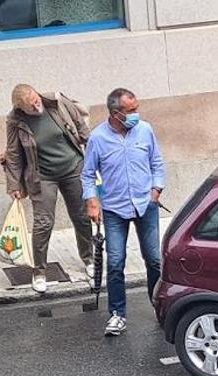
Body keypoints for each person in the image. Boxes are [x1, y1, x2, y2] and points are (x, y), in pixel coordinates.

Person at [82, 88, 165, 336]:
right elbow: (88, 174)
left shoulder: (145, 130)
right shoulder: (98, 138)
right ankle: (117, 314)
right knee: (116, 262)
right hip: (114, 209)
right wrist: (92, 201)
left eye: (136, 109)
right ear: (116, 113)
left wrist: (156, 189)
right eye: (131, 111)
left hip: (145, 204)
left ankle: (160, 307)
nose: (136, 114)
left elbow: (157, 162)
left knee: (154, 260)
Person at [0, 84, 92, 293]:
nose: (36, 106)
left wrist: (95, 158)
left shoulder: (57, 102)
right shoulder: (15, 121)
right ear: (21, 108)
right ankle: (39, 271)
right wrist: (14, 184)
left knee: (81, 216)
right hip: (42, 176)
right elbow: (13, 153)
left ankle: (89, 259)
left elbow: (81, 127)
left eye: (36, 100)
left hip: (73, 168)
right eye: (31, 106)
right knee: (43, 223)